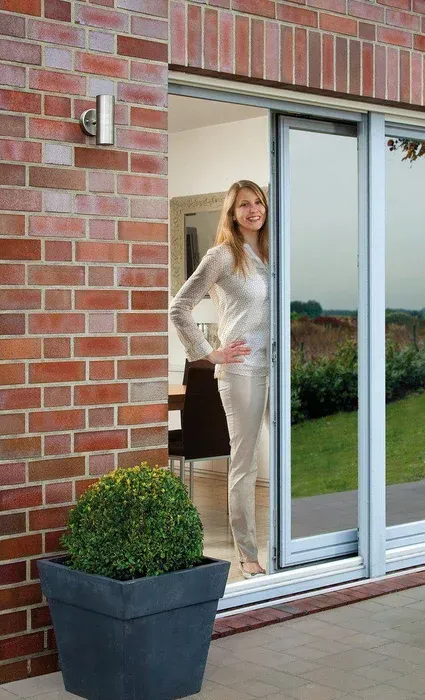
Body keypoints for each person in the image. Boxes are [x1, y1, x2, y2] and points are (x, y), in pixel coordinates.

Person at [170, 180, 270, 578]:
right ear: (232, 213)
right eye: (243, 205)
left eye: (257, 202)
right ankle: (247, 554)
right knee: (245, 464)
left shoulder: (271, 253)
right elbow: (180, 307)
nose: (253, 210)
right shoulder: (223, 256)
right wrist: (207, 354)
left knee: (288, 456)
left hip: (277, 367)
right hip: (242, 372)